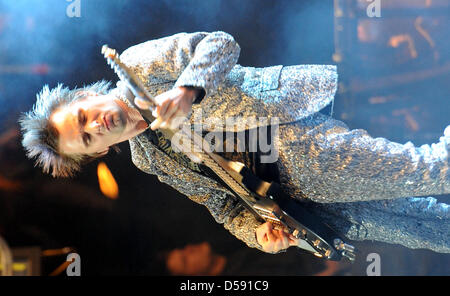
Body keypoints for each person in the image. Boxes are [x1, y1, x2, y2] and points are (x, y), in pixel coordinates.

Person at [19, 31, 450, 255]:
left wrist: (187, 90)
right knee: (424, 228)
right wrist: (260, 235)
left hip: (293, 140)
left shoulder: (138, 64)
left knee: (432, 169)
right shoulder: (147, 158)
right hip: (300, 202)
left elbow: (221, 44)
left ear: (85, 97)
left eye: (83, 116)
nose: (97, 124)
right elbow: (223, 205)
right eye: (88, 137)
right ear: (97, 152)